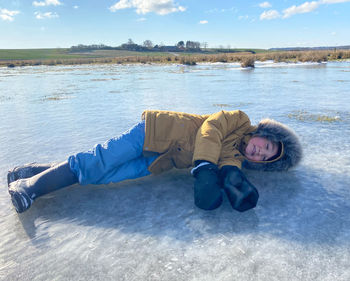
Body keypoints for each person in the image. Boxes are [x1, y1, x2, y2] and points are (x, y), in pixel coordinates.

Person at [6, 110, 302, 213]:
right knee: (98, 160)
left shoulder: (236, 154)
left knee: (104, 175)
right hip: (153, 131)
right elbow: (211, 131)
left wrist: (234, 183)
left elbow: (228, 164)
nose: (258, 152)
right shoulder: (238, 119)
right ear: (262, 133)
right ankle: (30, 186)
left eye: (264, 157)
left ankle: (32, 170)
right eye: (264, 146)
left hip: (162, 160)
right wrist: (203, 167)